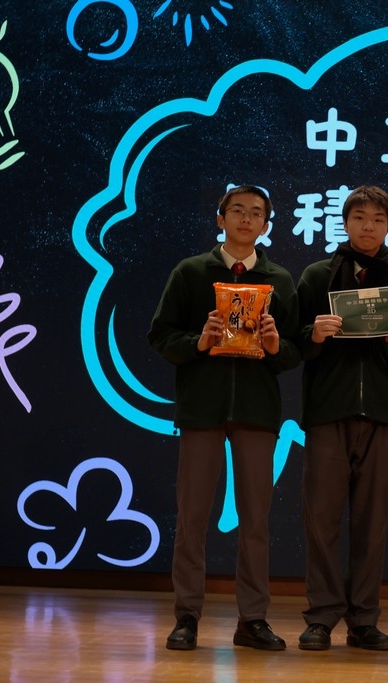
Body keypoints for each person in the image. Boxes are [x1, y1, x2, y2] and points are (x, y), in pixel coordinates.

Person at [148, 185, 300, 652]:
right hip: (202, 408)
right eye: (237, 210)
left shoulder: (279, 279)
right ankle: (187, 616)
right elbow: (160, 335)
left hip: (256, 411)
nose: (246, 219)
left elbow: (295, 349)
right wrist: (198, 342)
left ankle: (252, 619)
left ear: (266, 225)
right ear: (221, 218)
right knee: (192, 516)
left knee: (256, 520)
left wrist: (274, 345)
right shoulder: (192, 272)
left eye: (256, 213)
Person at [294, 184, 388, 651]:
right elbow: (291, 342)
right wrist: (314, 334)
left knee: (372, 523)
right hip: (328, 412)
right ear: (345, 222)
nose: (368, 227)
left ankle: (364, 619)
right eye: (360, 218)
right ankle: (321, 617)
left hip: (382, 416)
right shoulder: (316, 276)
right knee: (322, 519)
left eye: (378, 219)